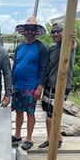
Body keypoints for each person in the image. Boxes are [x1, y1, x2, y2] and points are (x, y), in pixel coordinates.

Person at [11, 16, 48, 150]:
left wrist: (39, 87)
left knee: (30, 113)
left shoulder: (41, 47)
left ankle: (29, 138)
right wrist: (11, 84)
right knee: (18, 112)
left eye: (32, 29)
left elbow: (44, 68)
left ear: (36, 31)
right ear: (24, 31)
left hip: (31, 86)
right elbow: (15, 65)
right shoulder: (19, 47)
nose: (30, 32)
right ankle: (17, 134)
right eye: (28, 29)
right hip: (17, 85)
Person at [38, 21, 77, 149]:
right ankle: (52, 138)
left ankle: (56, 139)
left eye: (58, 31)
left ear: (63, 32)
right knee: (47, 113)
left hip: (62, 85)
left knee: (52, 115)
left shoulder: (67, 45)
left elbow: (72, 43)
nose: (55, 33)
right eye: (53, 32)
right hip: (49, 84)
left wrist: (71, 37)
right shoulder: (52, 47)